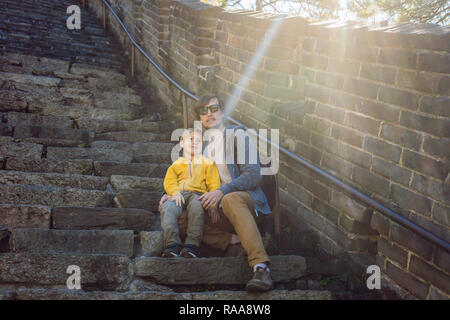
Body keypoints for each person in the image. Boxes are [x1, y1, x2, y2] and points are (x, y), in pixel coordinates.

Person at [159, 94, 274, 292]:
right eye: (204, 111)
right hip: (217, 212)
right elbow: (186, 178)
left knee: (230, 199)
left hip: (246, 202)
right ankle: (232, 241)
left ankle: (260, 267)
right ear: (200, 118)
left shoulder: (238, 136)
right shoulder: (200, 147)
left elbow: (254, 175)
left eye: (214, 108)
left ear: (222, 111)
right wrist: (170, 194)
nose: (209, 114)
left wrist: (221, 191)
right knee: (176, 214)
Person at [160, 128, 221, 258]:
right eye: (191, 139)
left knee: (197, 208)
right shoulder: (176, 164)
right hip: (179, 195)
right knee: (167, 208)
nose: (195, 143)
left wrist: (213, 205)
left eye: (199, 141)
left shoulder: (208, 163)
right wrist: (174, 192)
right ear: (182, 143)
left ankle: (192, 246)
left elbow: (214, 184)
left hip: (198, 195)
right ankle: (172, 245)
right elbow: (169, 181)